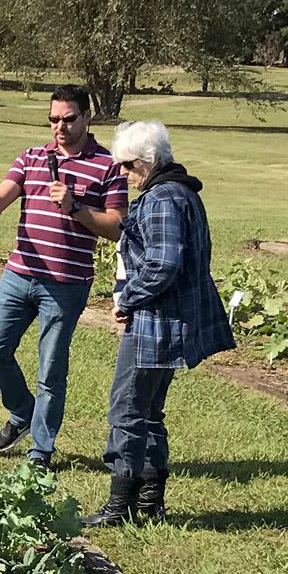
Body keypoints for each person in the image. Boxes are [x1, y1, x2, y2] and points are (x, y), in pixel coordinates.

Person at [85, 121, 233, 528]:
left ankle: (121, 506)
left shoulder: (163, 199)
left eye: (128, 166)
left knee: (127, 409)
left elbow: (164, 263)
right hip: (169, 320)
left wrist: (127, 297)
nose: (123, 174)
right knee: (149, 411)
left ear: (149, 162)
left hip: (156, 322)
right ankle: (151, 503)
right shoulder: (181, 192)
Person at [0, 84, 126, 467]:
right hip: (19, 274)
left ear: (88, 117)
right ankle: (23, 411)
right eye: (54, 119)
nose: (60, 127)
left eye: (69, 119)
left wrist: (75, 207)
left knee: (51, 368)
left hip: (66, 284)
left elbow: (118, 226)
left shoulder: (108, 166)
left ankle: (41, 450)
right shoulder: (32, 157)